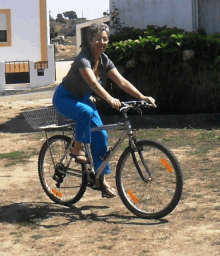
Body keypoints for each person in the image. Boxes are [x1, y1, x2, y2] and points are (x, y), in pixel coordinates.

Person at [53, 23, 156, 198]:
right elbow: (92, 83)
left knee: (101, 136)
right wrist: (109, 99)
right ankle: (77, 149)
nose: (102, 42)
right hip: (65, 98)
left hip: (83, 100)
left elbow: (121, 81)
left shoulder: (104, 61)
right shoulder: (83, 59)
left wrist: (141, 96)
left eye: (105, 39)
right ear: (91, 40)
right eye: (98, 39)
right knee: (85, 112)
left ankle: (100, 179)